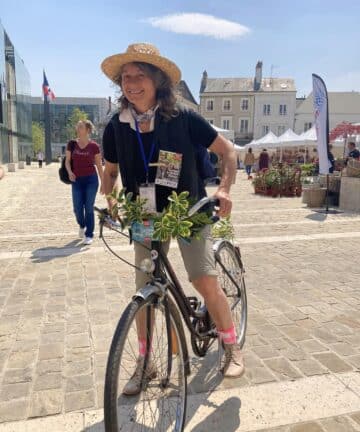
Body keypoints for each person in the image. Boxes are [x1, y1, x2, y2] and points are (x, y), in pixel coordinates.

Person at [101, 43, 244, 394]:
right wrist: (110, 196)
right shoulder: (116, 126)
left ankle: (231, 346)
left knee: (203, 279)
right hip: (145, 216)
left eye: (139, 75)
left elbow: (227, 151)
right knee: (143, 294)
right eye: (125, 77)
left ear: (157, 81)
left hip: (187, 212)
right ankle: (145, 363)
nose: (131, 83)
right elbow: (111, 170)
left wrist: (224, 190)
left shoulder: (183, 118)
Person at [65, 120, 104, 245]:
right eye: (78, 126)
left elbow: (99, 165)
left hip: (91, 180)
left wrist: (103, 182)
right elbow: (67, 161)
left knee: (88, 207)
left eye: (80, 126)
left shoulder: (94, 146)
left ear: (87, 130)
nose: (78, 128)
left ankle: (89, 234)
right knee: (77, 208)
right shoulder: (71, 144)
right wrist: (70, 172)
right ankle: (82, 225)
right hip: (76, 180)